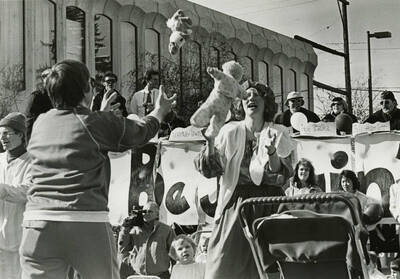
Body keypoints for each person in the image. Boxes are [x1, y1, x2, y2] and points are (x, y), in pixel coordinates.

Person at [19, 59, 176, 279]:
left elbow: (75, 135)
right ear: (86, 90)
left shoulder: (41, 123)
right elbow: (140, 132)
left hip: (36, 224)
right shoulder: (95, 123)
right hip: (84, 221)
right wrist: (159, 111)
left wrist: (98, 115)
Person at [194, 82, 295, 279]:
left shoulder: (279, 131)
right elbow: (212, 169)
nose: (251, 98)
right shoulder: (229, 131)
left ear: (266, 102)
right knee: (224, 264)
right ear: (240, 103)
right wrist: (210, 142)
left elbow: (280, 175)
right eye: (247, 95)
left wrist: (272, 152)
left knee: (271, 268)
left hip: (270, 205)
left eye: (257, 95)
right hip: (236, 206)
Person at [0, 112, 32, 279]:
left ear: (20, 134)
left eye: (6, 133)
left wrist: (3, 190)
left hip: (21, 240)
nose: (2, 138)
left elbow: (27, 191)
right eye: (0, 134)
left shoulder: (33, 162)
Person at [118, 202, 176, 279]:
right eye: (144, 211)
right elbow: (122, 249)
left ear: (157, 214)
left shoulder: (167, 230)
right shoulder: (134, 230)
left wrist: (175, 272)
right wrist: (125, 228)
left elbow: (174, 253)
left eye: (150, 211)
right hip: (138, 275)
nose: (146, 213)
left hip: (161, 276)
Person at [24, 68, 53, 141]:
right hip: (41, 138)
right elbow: (30, 123)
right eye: (45, 76)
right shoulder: (37, 97)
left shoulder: (60, 96)